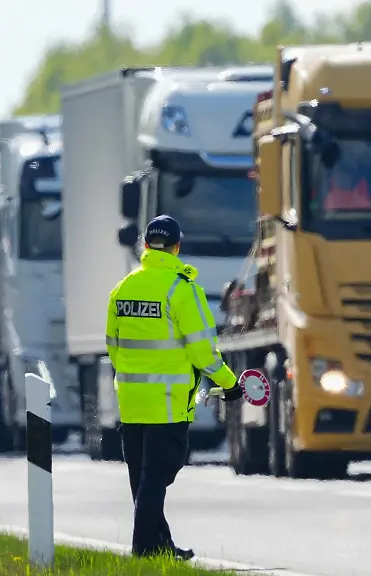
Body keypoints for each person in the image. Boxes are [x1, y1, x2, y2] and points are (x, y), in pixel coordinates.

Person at [105, 214, 244, 560]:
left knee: (142, 478)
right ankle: (142, 550)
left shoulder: (123, 288)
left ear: (146, 245)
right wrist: (230, 384)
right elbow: (203, 352)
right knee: (157, 475)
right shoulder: (181, 290)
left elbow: (113, 345)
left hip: (131, 402)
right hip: (167, 403)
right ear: (177, 247)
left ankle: (160, 547)